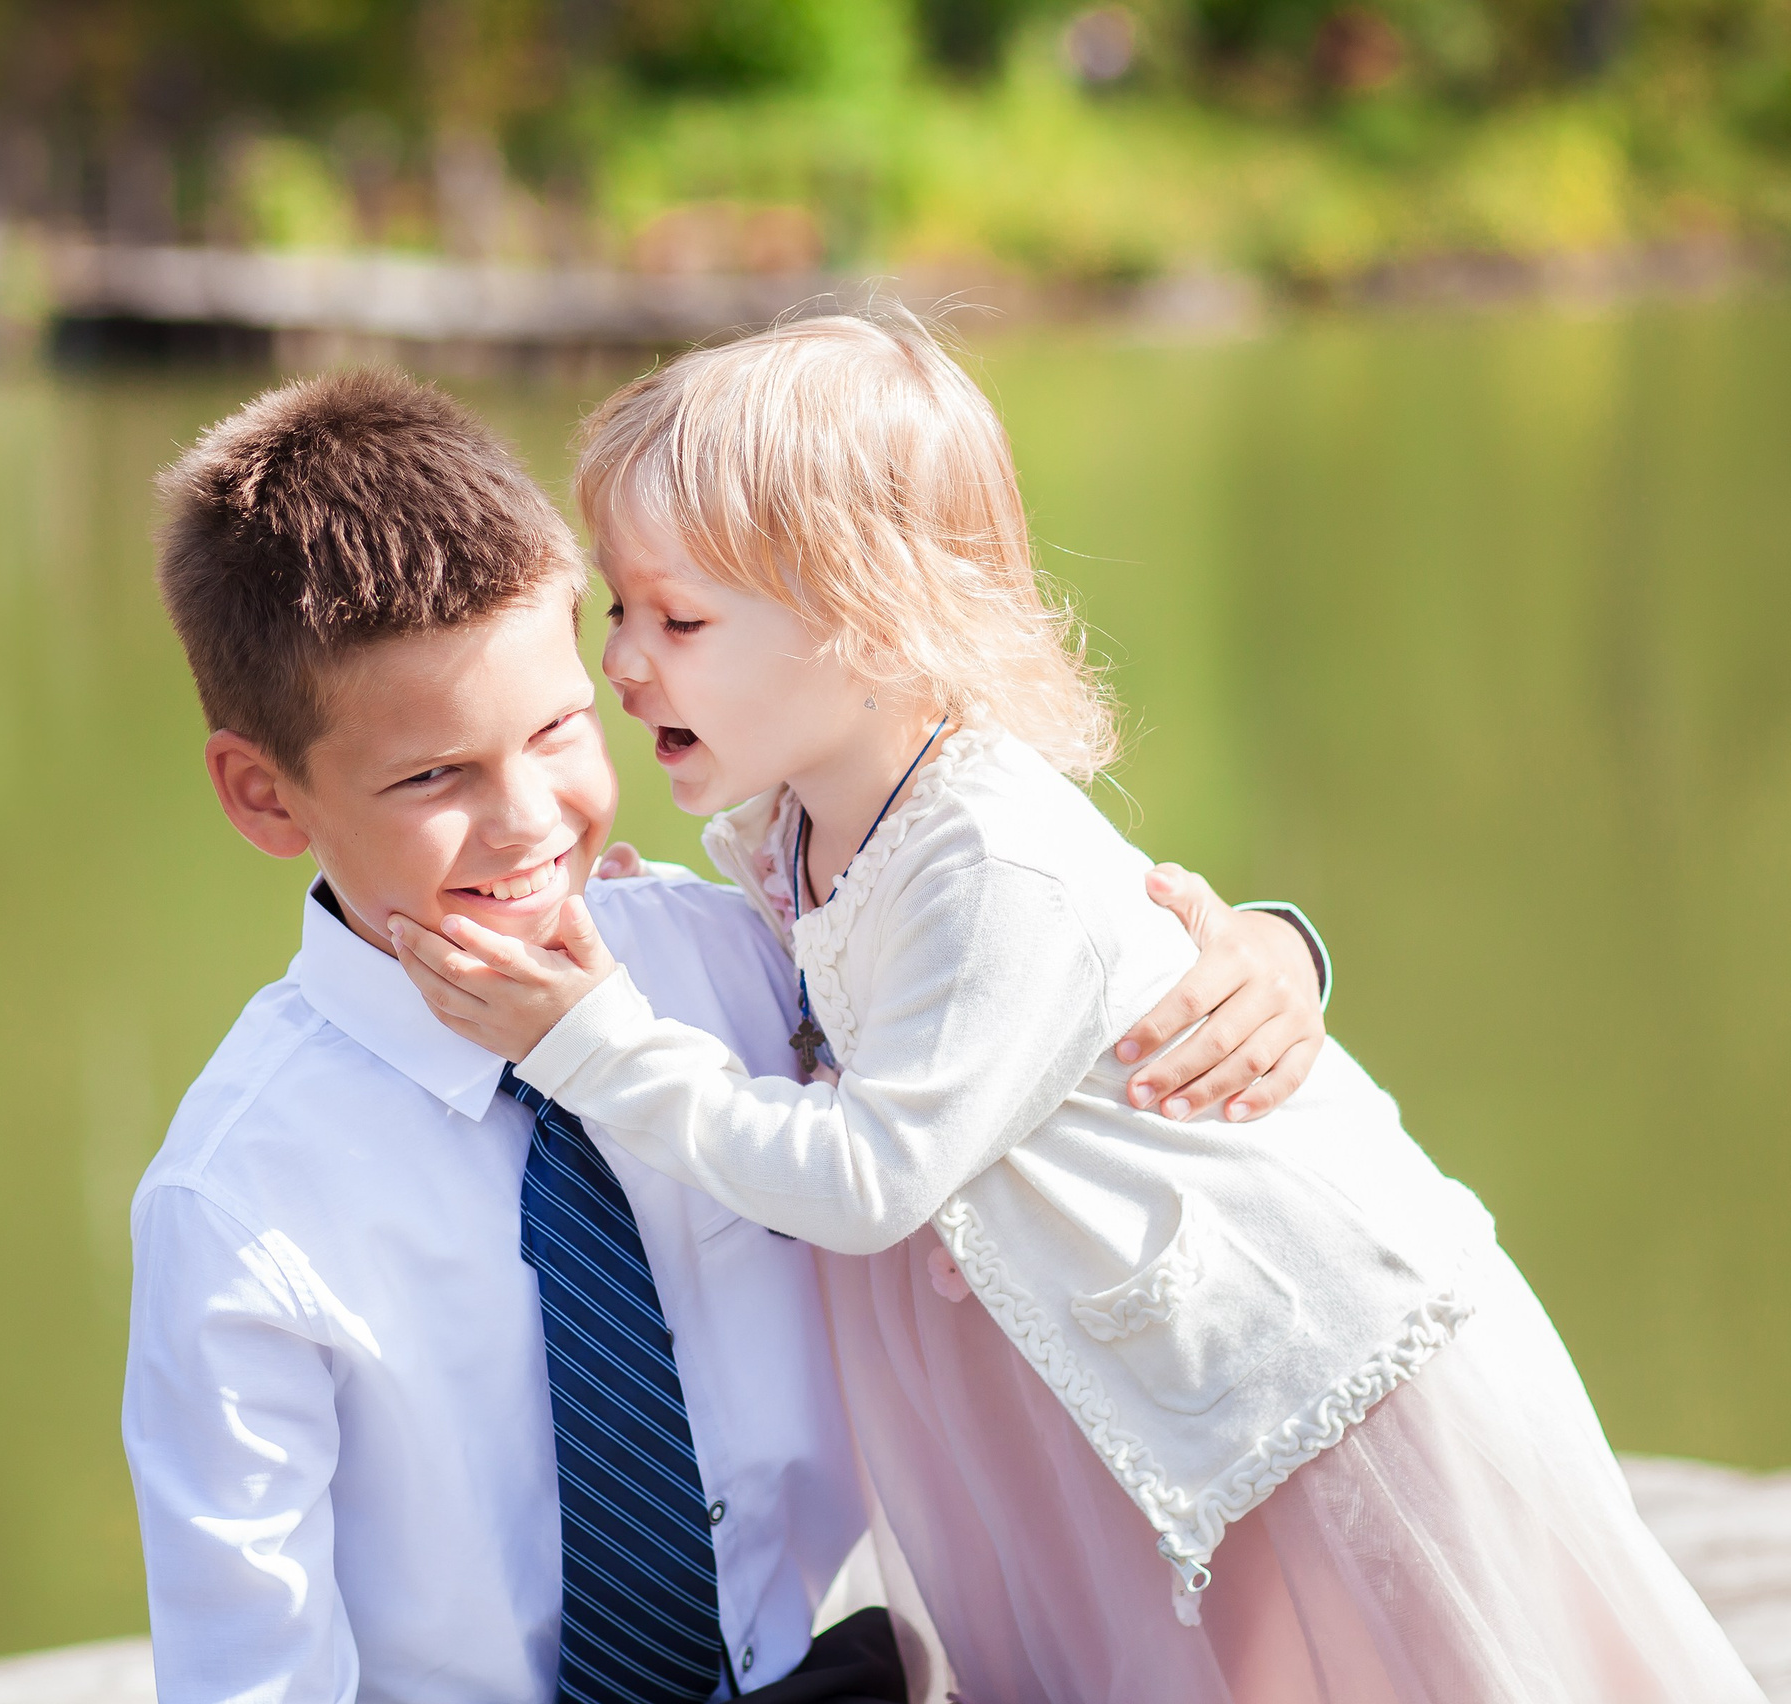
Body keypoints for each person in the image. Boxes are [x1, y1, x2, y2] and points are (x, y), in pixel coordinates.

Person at [392, 314, 1770, 1704]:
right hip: (1114, 1383)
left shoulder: (994, 856)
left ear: (869, 620)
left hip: (1295, 1382)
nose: (623, 663)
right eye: (620, 613)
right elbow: (807, 986)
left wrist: (589, 1043)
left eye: (677, 619)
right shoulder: (795, 825)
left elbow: (870, 1172)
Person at [122, 367, 1341, 1704]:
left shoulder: (735, 962)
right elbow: (252, 1665)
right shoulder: (239, 1200)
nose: (530, 819)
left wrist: (1269, 948)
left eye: (559, 731)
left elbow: (1020, 958)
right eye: (433, 777)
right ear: (261, 793)